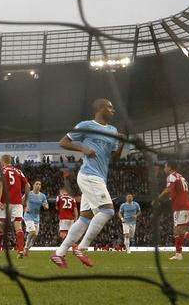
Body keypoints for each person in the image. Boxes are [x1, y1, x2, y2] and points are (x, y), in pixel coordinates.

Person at [50, 98, 124, 268]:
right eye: (110, 107)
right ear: (100, 108)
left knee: (85, 218)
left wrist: (120, 144)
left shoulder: (113, 130)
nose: (113, 110)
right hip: (89, 175)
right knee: (107, 211)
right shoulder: (86, 125)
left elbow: (115, 158)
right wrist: (83, 149)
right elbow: (63, 142)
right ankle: (82, 248)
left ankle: (59, 253)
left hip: (99, 177)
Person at [0, 154, 30, 259]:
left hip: (5, 202)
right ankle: (20, 250)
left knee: (0, 225)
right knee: (18, 226)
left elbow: (0, 185)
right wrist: (25, 199)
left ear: (2, 161)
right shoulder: (19, 171)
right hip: (17, 202)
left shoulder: (1, 170)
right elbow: (28, 186)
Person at [157, 161, 189, 261]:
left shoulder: (171, 176)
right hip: (180, 205)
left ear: (169, 167)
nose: (164, 169)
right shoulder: (181, 177)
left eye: (165, 167)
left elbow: (168, 189)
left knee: (181, 230)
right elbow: (182, 191)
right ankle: (178, 254)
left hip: (182, 205)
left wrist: (158, 198)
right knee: (176, 231)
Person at [23, 181, 48, 256]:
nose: (38, 185)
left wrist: (45, 206)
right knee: (32, 232)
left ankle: (27, 248)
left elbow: (46, 205)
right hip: (28, 216)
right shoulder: (29, 194)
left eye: (40, 184)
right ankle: (26, 248)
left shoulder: (43, 196)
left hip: (36, 217)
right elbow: (22, 201)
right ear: (33, 185)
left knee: (35, 236)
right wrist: (25, 207)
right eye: (36, 184)